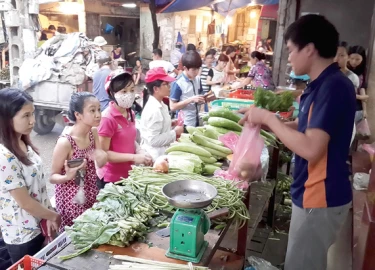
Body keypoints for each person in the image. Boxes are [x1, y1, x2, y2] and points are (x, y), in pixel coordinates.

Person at [239, 15, 355, 270]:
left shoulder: (332, 88)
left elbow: (311, 148)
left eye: (291, 50)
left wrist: (269, 116)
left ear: (310, 49)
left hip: (320, 196)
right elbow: (308, 129)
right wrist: (267, 123)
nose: (288, 57)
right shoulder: (322, 85)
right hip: (315, 194)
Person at [0, 88, 61, 263]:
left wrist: (49, 212)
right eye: (26, 116)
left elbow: (39, 186)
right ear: (6, 118)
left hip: (39, 225)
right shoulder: (4, 157)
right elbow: (25, 202)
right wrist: (52, 216)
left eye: (33, 114)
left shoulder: (22, 141)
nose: (33, 121)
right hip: (23, 235)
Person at [50, 92, 107, 231]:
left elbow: (101, 163)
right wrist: (67, 177)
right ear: (78, 115)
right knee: (76, 237)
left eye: (99, 109)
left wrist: (101, 155)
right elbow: (52, 177)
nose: (98, 114)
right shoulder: (65, 142)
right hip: (71, 201)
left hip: (91, 193)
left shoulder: (93, 132)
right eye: (92, 110)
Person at [98, 70, 153, 184]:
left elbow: (129, 140)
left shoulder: (130, 113)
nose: (129, 94)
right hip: (111, 179)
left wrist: (140, 151)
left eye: (132, 90)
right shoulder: (107, 119)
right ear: (112, 94)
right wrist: (133, 157)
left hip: (128, 175)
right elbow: (104, 154)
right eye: (124, 91)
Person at [140, 68, 184, 161]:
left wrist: (170, 123)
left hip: (162, 152)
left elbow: (159, 126)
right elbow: (153, 140)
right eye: (166, 84)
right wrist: (175, 133)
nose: (169, 87)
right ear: (156, 89)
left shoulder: (161, 104)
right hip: (155, 156)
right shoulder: (154, 110)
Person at [170, 51, 205, 127]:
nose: (196, 72)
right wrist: (191, 100)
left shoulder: (198, 79)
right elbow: (172, 106)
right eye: (193, 70)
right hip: (184, 123)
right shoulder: (178, 83)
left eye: (198, 69)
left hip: (197, 120)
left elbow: (201, 94)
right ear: (185, 68)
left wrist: (204, 99)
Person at [334, 41, 359, 146]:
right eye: (335, 54)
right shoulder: (328, 75)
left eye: (341, 55)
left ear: (348, 57)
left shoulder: (352, 78)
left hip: (343, 123)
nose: (337, 58)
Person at [348, 45, 369, 123]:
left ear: (363, 59)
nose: (354, 62)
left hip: (355, 106)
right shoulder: (344, 70)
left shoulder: (362, 72)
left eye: (357, 59)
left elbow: (362, 88)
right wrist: (360, 97)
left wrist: (365, 110)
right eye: (352, 58)